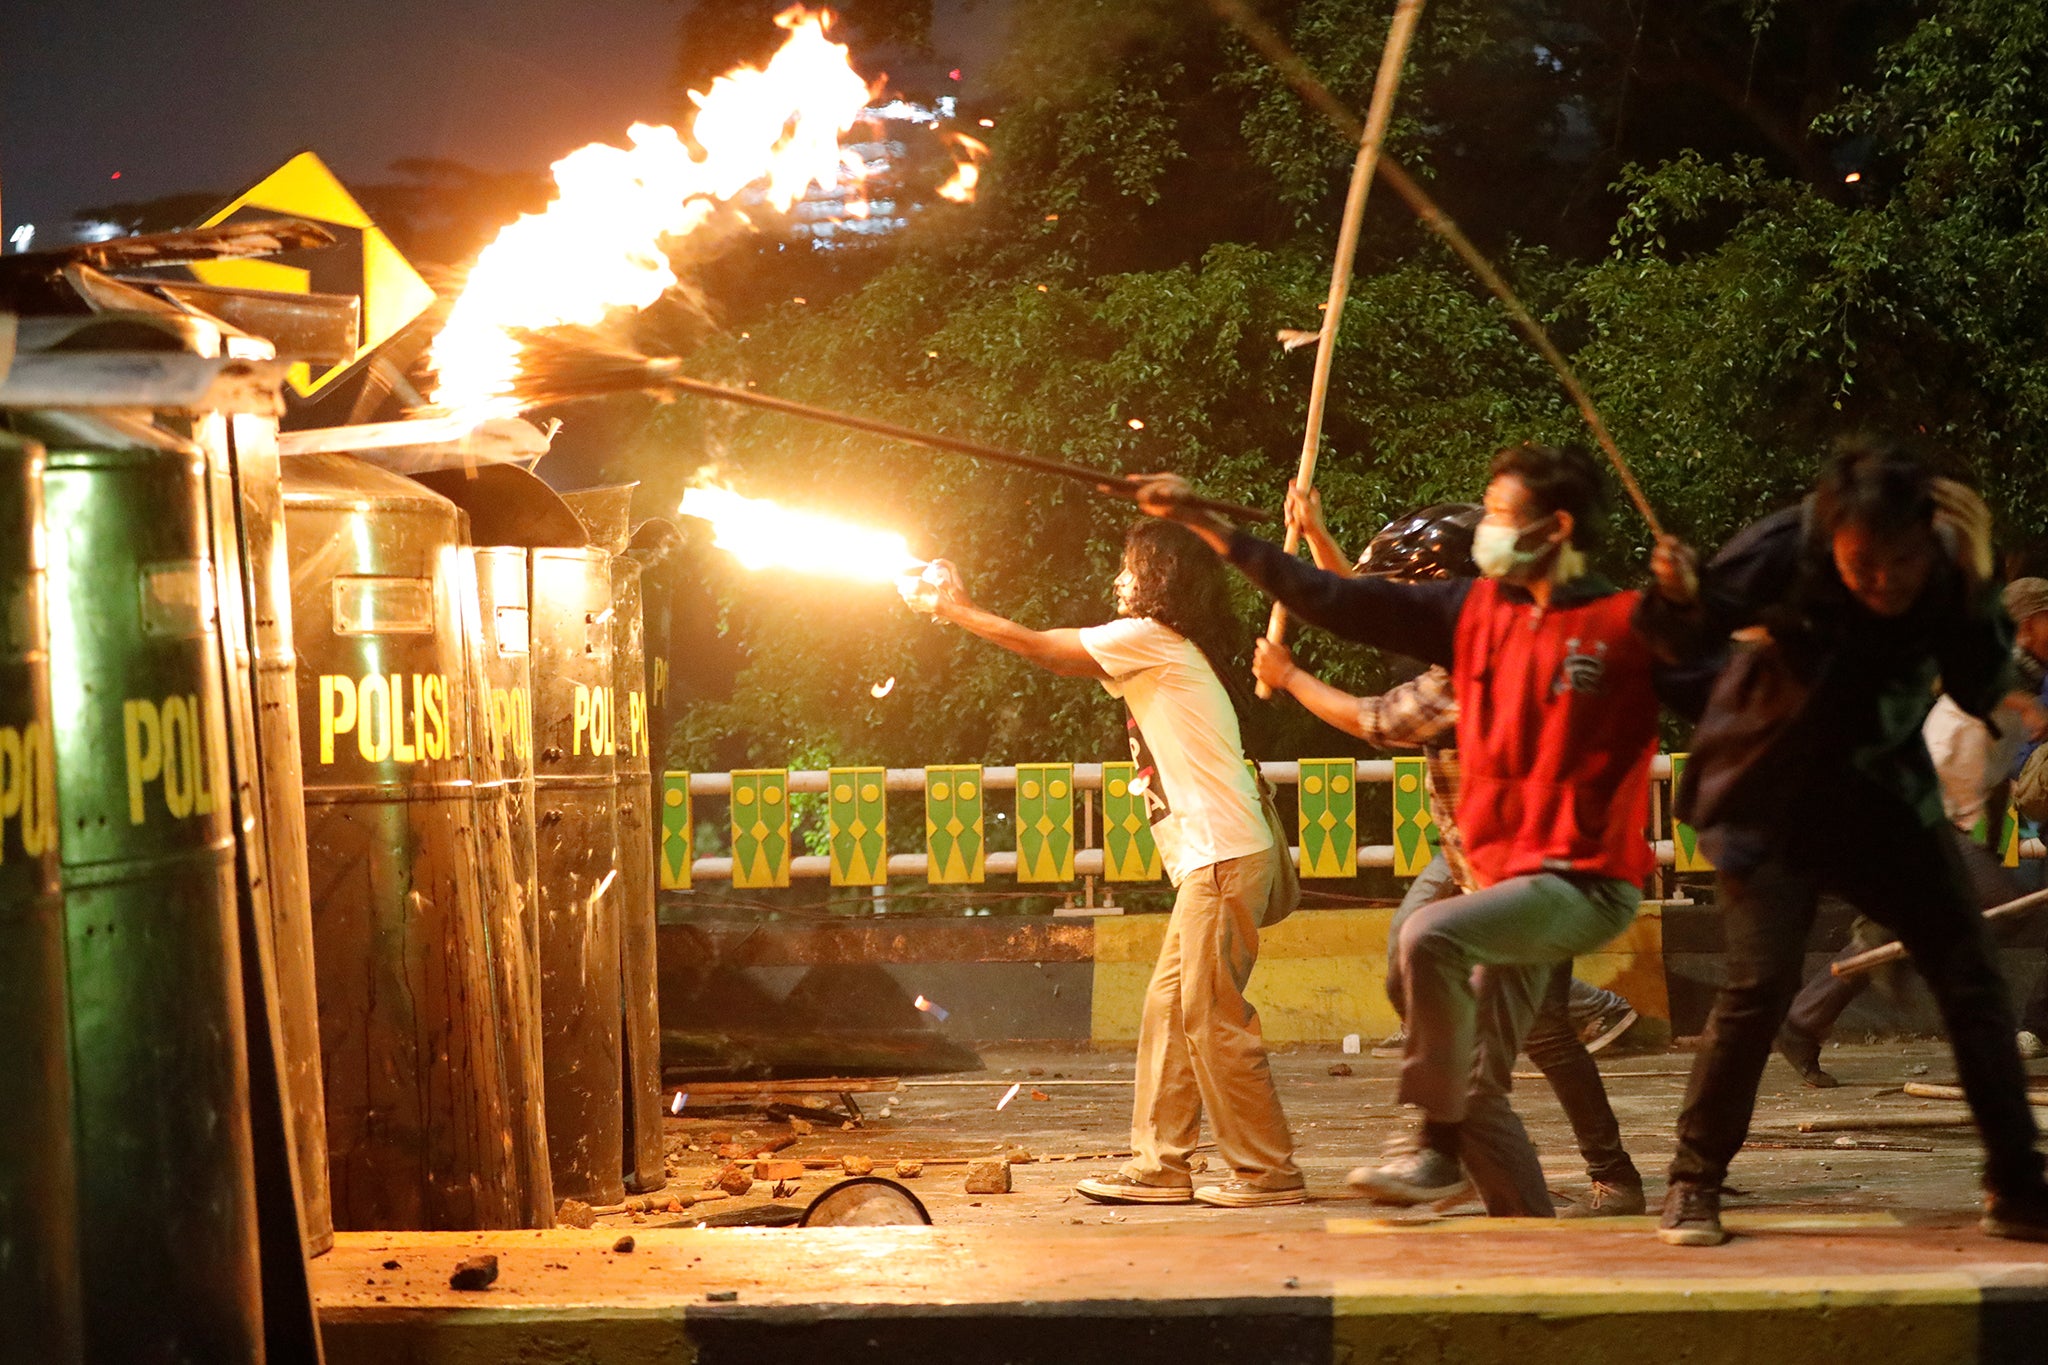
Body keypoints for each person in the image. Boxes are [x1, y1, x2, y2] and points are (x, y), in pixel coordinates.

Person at [1139, 443, 1697, 1210]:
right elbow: (1348, 602)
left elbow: (1720, 676)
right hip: (1489, 871)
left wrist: (1701, 607)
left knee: (1433, 945)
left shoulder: (1618, 624)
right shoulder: (1476, 616)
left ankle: (1446, 1145)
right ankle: (1512, 1219)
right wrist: (1205, 521)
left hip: (1577, 879)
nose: (1489, 529)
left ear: (1555, 528)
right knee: (1480, 1073)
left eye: (1501, 515)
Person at [1650, 438, 2048, 1246]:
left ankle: (2017, 1183)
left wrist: (2013, 697)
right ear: (1830, 535)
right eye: (1864, 564)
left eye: (1899, 561)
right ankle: (1694, 1181)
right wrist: (1674, 600)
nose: (1883, 582)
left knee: (1971, 976)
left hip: (1882, 800)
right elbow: (1674, 644)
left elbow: (1977, 666)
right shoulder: (1779, 549)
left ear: (1922, 537)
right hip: (1770, 794)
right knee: (1757, 990)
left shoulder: (1942, 566)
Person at [1255, 495, 1647, 1216]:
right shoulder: (1459, 624)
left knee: (1535, 1028)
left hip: (1531, 871)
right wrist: (1316, 531)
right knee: (1419, 971)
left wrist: (1289, 677)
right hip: (1467, 858)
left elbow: (1375, 718)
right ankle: (1464, 1156)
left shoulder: (1485, 666)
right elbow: (1364, 605)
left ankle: (1589, 1169)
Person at [903, 520, 1305, 1207]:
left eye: (1129, 567)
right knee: (1169, 1009)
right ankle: (1161, 1165)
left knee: (1210, 1014)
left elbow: (1047, 650)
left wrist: (956, 609)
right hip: (1219, 854)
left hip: (1223, 853)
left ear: (1155, 577)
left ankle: (1268, 1172)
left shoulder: (1152, 639)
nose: (1118, 580)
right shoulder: (1168, 647)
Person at [1774, 653, 2048, 1086]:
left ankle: (1801, 1025)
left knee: (1887, 937)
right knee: (2007, 906)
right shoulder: (1956, 714)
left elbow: (1997, 791)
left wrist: (1989, 849)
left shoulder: (2002, 724)